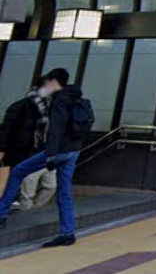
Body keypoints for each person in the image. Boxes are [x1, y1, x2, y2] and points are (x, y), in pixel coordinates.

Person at [0, 69, 89, 247]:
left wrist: (51, 154)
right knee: (64, 193)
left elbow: (55, 128)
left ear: (55, 82)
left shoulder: (59, 99)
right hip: (73, 151)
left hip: (58, 150)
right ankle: (67, 233)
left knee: (18, 171)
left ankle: (1, 214)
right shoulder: (80, 99)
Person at [0, 84, 56, 212]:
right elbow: (6, 128)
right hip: (24, 152)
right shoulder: (20, 106)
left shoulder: (51, 110)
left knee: (51, 186)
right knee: (27, 187)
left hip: (46, 153)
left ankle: (31, 210)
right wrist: (2, 148)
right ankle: (24, 211)